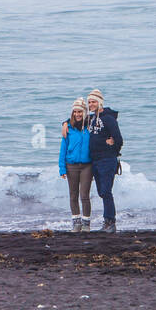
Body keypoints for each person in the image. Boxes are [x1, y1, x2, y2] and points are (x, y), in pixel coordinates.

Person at [84, 90, 123, 232]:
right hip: (95, 161)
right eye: (89, 102)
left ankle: (110, 222)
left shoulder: (108, 119)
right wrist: (65, 123)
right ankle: (107, 222)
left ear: (100, 102)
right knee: (101, 191)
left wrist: (112, 148)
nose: (91, 104)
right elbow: (74, 119)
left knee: (106, 191)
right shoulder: (91, 118)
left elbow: (119, 139)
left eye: (93, 102)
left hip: (107, 160)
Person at [59, 97, 93, 232]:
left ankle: (86, 224)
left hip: (87, 166)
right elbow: (63, 149)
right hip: (71, 165)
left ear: (84, 112)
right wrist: (62, 168)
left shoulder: (90, 126)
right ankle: (76, 223)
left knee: (84, 195)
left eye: (80, 112)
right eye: (75, 112)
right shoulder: (68, 128)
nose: (77, 114)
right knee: (73, 195)